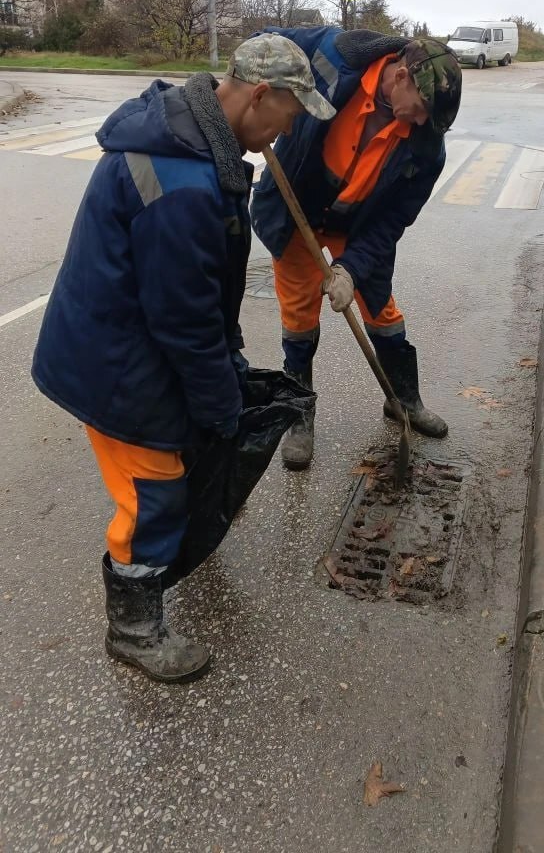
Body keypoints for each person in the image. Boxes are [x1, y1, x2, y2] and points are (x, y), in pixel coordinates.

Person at [31, 35, 335, 684]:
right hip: (115, 363)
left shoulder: (189, 134)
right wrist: (224, 404)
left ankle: (173, 547)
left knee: (186, 450)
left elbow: (197, 299)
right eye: (290, 115)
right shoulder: (182, 181)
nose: (287, 131)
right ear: (260, 95)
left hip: (121, 336)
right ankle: (134, 628)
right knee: (154, 492)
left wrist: (224, 371)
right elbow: (184, 321)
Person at [250, 28, 462, 471]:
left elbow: (391, 223)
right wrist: (248, 88)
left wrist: (350, 269)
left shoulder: (428, 148)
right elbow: (266, 48)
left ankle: (404, 399)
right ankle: (299, 416)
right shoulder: (335, 53)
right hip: (299, 210)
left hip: (361, 223)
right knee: (298, 316)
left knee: (382, 313)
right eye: (421, 110)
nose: (421, 123)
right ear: (400, 75)